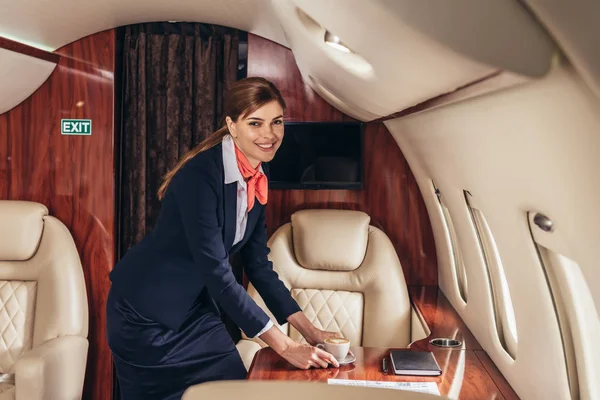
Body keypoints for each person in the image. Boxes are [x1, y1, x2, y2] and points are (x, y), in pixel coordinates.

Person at [106, 77, 341, 400]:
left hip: (193, 309)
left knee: (229, 389)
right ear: (232, 125)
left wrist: (309, 330)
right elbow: (216, 270)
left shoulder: (259, 171)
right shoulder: (200, 176)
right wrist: (284, 345)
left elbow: (258, 263)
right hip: (145, 313)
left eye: (277, 122)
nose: (269, 135)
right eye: (255, 123)